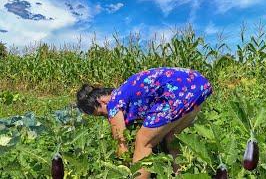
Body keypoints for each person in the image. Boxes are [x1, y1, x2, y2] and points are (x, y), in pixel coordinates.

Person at [76, 67, 213, 178]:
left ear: (101, 101)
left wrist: (125, 167)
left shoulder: (113, 102)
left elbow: (121, 142)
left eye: (101, 114)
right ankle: (180, 176)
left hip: (177, 91)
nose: (108, 118)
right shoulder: (125, 90)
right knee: (172, 137)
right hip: (197, 84)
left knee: (143, 141)